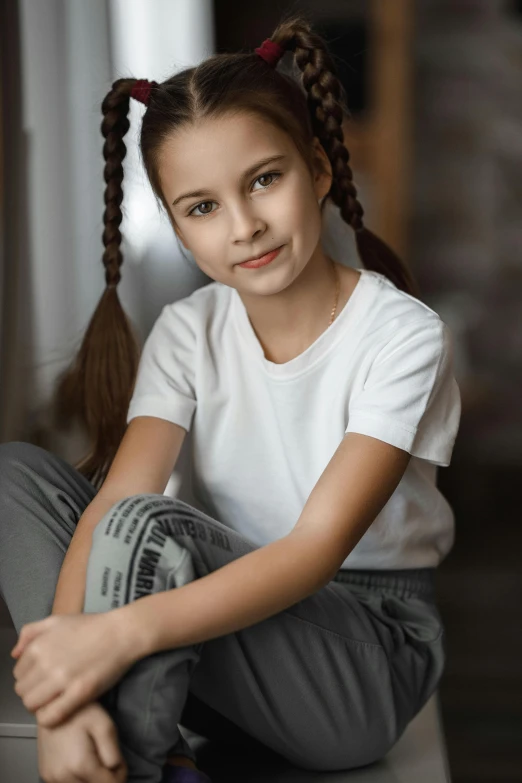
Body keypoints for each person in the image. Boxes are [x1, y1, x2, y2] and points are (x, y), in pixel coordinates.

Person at [0, 13, 461, 783]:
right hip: (221, 634)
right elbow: (118, 495)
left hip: (362, 656)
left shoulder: (402, 335)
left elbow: (314, 554)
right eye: (203, 207)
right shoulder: (188, 330)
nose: (244, 227)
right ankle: (117, 732)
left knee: (145, 528)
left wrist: (112, 638)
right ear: (179, 231)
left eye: (263, 180)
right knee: (17, 475)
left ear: (316, 170)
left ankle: (134, 762)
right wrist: (63, 702)